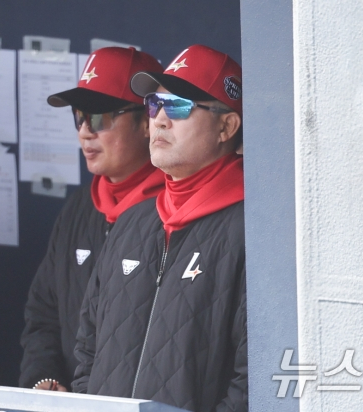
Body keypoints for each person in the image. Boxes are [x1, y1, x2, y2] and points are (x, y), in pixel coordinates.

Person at [72, 45, 247, 412]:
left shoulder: (251, 229)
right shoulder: (134, 221)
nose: (160, 120)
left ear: (226, 127)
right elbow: (88, 347)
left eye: (179, 106)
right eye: (154, 104)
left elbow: (252, 377)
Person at [19, 47, 165, 392]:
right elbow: (43, 314)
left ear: (147, 122)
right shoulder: (79, 208)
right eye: (79, 117)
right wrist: (45, 379)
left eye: (99, 117)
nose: (85, 131)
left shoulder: (176, 212)